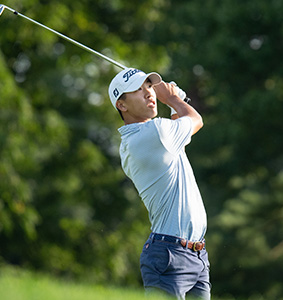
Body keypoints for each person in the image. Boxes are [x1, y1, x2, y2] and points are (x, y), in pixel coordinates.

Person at [108, 68, 211, 299]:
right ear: (121, 105)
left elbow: (179, 139)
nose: (148, 93)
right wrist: (173, 98)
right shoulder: (152, 133)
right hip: (170, 255)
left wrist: (176, 105)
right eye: (137, 90)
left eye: (149, 87)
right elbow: (196, 121)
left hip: (196, 255)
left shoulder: (145, 138)